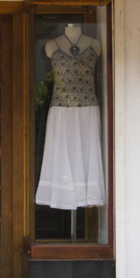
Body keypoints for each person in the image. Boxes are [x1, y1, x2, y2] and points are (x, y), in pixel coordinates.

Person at [36, 23, 105, 209]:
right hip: (61, 109)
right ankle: (63, 197)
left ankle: (86, 197)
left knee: (86, 152)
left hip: (88, 109)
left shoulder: (95, 45)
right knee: (61, 152)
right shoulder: (51, 45)